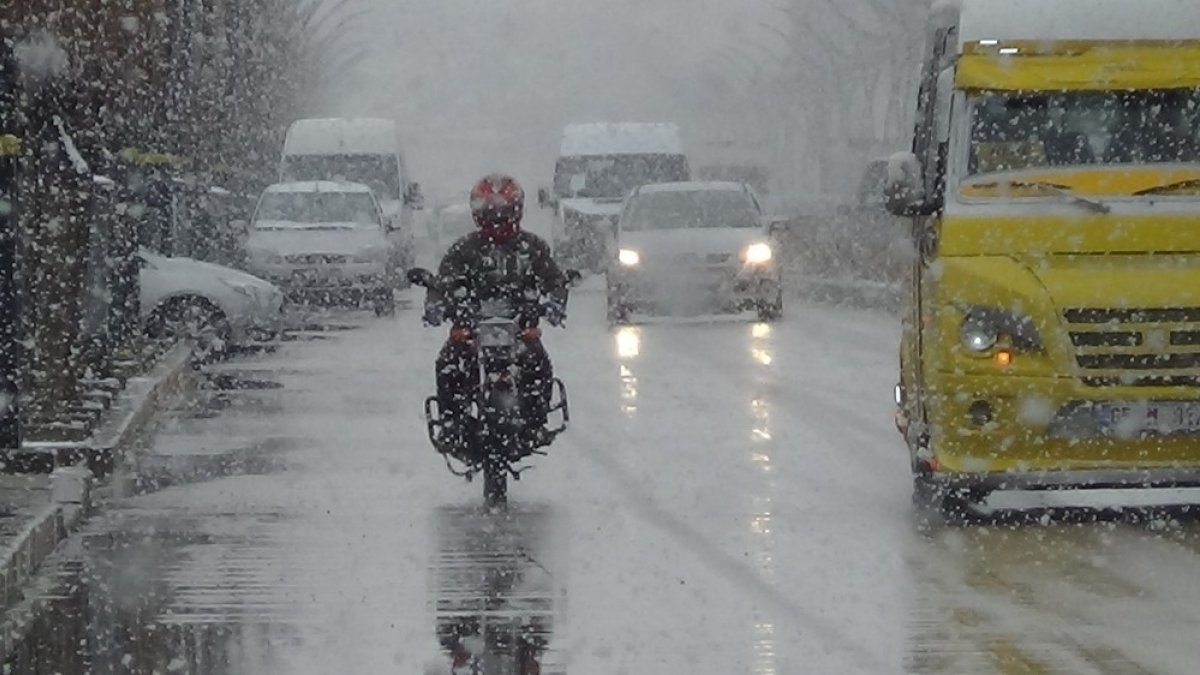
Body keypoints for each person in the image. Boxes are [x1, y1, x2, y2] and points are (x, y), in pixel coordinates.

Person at [423, 174, 568, 455]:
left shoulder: (532, 248)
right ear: (478, 213)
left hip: (519, 328)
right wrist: (437, 304)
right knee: (448, 364)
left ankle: (536, 422)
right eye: (491, 213)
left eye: (504, 213)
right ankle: (452, 423)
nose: (498, 219)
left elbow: (554, 280)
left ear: (517, 211)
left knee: (538, 362)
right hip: (472, 328)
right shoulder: (464, 249)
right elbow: (444, 282)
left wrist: (554, 302)